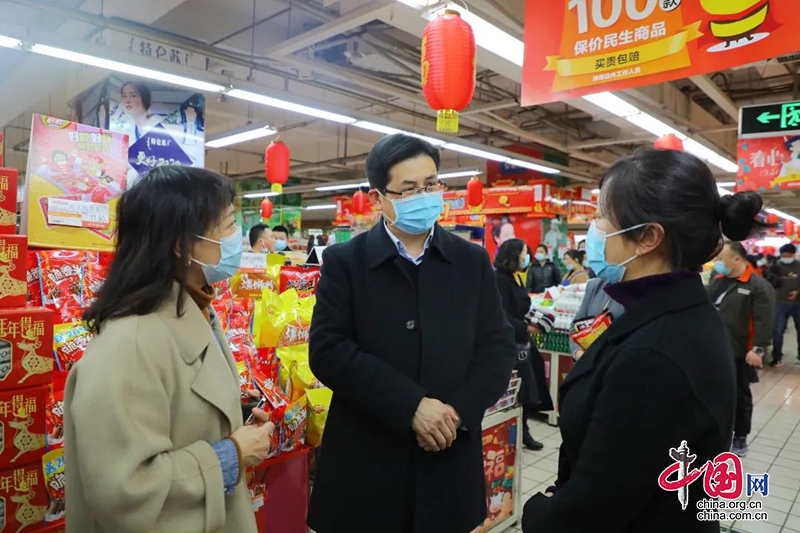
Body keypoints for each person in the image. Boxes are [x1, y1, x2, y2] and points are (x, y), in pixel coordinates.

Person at [523, 149, 764, 533]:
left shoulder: (655, 354)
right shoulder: (677, 314)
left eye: (602, 215)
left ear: (648, 237)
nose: (593, 229)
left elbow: (596, 507)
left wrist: (537, 512)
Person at [308, 134, 516, 533]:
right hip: (366, 459)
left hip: (448, 453)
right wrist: (411, 406)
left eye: (432, 185)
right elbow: (328, 350)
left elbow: (497, 346)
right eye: (409, 189)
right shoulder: (345, 263)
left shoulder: (470, 261)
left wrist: (452, 415)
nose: (425, 196)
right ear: (377, 199)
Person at [64, 167, 275, 532]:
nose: (235, 237)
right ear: (182, 244)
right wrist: (233, 454)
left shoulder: (193, 309)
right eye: (226, 226)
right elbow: (125, 489)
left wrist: (230, 415)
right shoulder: (129, 343)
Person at [708, 241, 774, 457]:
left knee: (740, 396)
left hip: (738, 351)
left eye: (720, 259)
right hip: (713, 348)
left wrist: (758, 348)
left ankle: (740, 437)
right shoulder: (718, 280)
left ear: (737, 259)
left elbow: (764, 321)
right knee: (714, 392)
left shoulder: (757, 286)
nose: (717, 263)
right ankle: (715, 432)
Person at [494, 238, 545, 451]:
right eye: (524, 253)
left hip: (521, 342)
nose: (527, 257)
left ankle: (523, 429)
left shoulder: (516, 277)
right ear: (514, 254)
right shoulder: (499, 279)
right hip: (508, 342)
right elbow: (501, 313)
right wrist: (526, 328)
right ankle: (513, 431)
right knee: (514, 388)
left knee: (525, 387)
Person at [568, 277, 624, 361]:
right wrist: (579, 354)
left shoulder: (637, 291)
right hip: (591, 363)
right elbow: (575, 328)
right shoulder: (595, 285)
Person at [769, 243, 800, 366]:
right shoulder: (775, 267)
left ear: (793, 254)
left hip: (798, 304)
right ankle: (776, 357)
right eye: (784, 255)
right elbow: (769, 283)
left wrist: (798, 292)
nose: (786, 257)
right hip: (779, 303)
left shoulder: (799, 266)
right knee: (778, 330)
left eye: (789, 255)